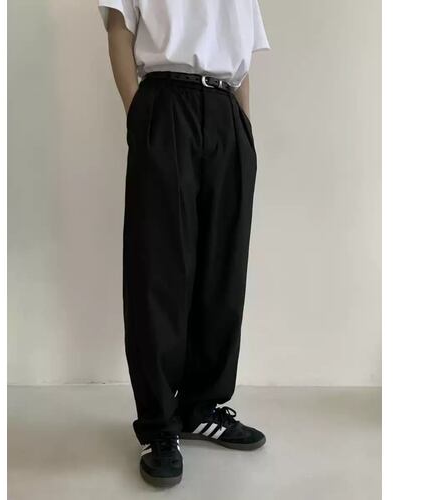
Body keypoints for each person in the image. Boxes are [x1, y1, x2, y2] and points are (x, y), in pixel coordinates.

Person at [98, 0, 270, 487]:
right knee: (159, 271)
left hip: (226, 111)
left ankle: (201, 407)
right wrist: (137, 114)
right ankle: (158, 425)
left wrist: (244, 130)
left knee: (223, 269)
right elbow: (119, 30)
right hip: (165, 102)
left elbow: (242, 60)